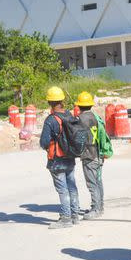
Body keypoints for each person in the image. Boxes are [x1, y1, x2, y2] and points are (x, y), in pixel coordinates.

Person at [39, 86, 80, 229]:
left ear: (50, 102)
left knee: (62, 189)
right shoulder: (69, 115)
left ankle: (66, 218)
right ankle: (75, 215)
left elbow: (44, 142)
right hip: (70, 157)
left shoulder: (50, 120)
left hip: (56, 160)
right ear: (62, 100)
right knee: (72, 186)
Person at [76, 91, 111, 220]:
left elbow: (79, 139)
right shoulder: (95, 117)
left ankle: (96, 209)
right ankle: (100, 207)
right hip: (98, 154)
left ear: (79, 105)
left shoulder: (81, 119)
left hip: (89, 155)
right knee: (98, 181)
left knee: (92, 183)